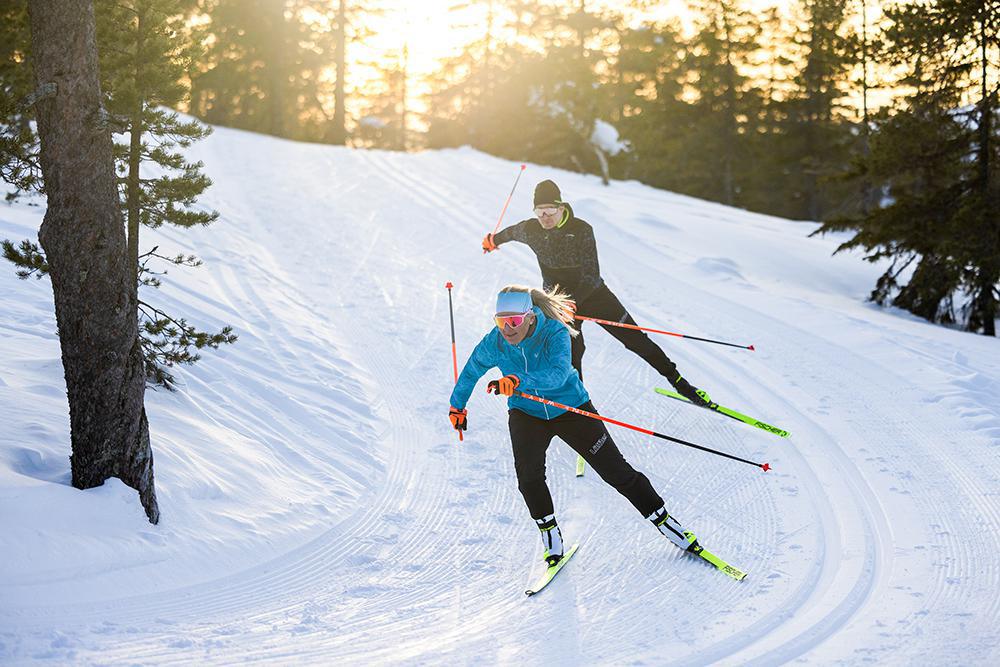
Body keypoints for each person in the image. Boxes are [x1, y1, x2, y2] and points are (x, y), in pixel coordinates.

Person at [448, 285, 703, 566]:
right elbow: (472, 370)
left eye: (515, 321)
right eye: (501, 321)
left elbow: (557, 374)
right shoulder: (494, 342)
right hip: (527, 413)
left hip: (571, 407)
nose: (507, 328)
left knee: (617, 473)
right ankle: (550, 536)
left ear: (530, 316)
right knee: (529, 479)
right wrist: (457, 406)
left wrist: (518, 381)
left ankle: (667, 523)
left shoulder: (554, 332)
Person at [482, 179, 711, 407]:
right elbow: (509, 233)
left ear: (561, 207)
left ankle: (680, 383)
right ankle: (576, 403)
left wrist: (572, 302)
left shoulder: (581, 230)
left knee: (636, 340)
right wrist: (493, 241)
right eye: (540, 211)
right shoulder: (531, 229)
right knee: (571, 353)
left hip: (593, 295)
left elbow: (591, 275)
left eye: (550, 209)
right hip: (559, 302)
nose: (545, 217)